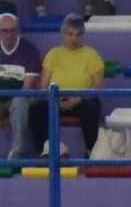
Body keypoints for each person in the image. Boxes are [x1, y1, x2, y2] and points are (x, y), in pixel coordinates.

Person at [27, 16, 103, 158]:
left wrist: (79, 98)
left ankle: (91, 151)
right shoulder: (53, 54)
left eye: (78, 35)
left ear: (83, 36)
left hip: (82, 100)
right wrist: (54, 99)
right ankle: (45, 149)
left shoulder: (92, 55)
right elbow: (44, 85)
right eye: (70, 34)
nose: (74, 39)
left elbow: (97, 86)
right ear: (63, 34)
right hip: (56, 98)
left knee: (91, 109)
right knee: (35, 110)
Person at [0, 12, 42, 162]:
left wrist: (4, 107)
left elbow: (26, 88)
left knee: (19, 102)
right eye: (4, 31)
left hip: (22, 97)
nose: (8, 34)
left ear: (18, 31)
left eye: (12, 30)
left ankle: (17, 151)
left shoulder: (29, 51)